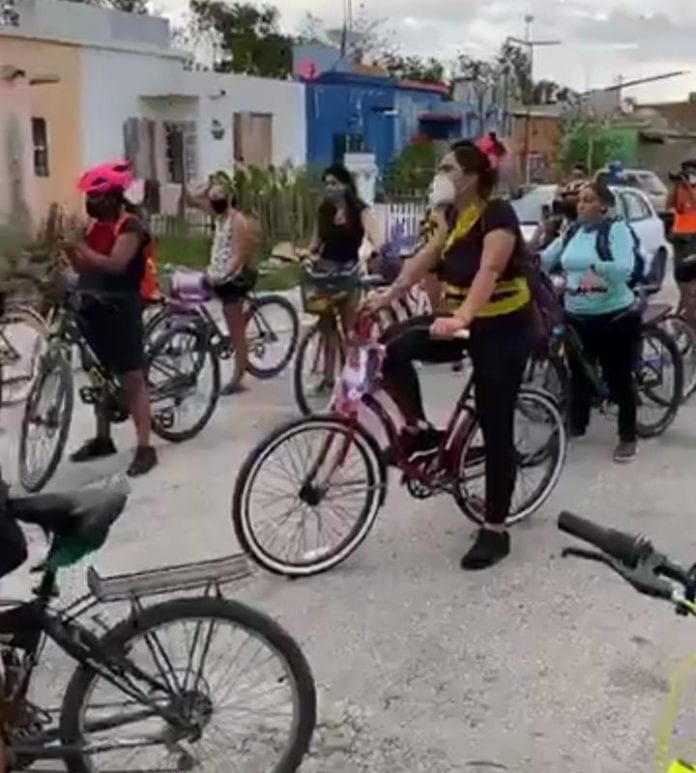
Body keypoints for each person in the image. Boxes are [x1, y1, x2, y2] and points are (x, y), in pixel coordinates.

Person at [366, 140, 534, 571]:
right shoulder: (449, 216)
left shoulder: (497, 213)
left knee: (496, 424)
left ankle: (495, 529)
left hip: (503, 325)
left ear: (473, 176)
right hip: (461, 319)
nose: (439, 175)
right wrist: (391, 294)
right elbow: (427, 258)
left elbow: (490, 269)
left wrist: (461, 315)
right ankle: (420, 429)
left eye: (447, 168)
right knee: (389, 350)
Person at [62, 160, 157, 477]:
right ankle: (103, 439)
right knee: (98, 373)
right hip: (93, 304)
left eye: (96, 197)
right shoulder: (93, 227)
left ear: (114, 197)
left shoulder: (132, 227)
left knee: (131, 377)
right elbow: (84, 268)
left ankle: (145, 447)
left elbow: (116, 265)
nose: (90, 203)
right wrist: (69, 249)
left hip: (122, 306)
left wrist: (80, 248)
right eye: (89, 197)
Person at [541, 181, 640, 463]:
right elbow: (547, 259)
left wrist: (593, 266)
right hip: (576, 314)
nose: (580, 205)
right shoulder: (573, 231)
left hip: (614, 316)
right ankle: (576, 425)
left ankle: (628, 436)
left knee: (619, 378)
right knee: (579, 374)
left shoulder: (616, 230)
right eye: (579, 200)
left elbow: (624, 268)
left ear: (604, 207)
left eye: (588, 200)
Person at [307, 164, 383, 390]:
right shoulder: (324, 210)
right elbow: (315, 242)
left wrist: (374, 251)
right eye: (327, 184)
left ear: (346, 184)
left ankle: (355, 375)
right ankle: (329, 376)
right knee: (325, 325)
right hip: (325, 271)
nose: (330, 188)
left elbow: (375, 238)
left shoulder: (360, 210)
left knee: (349, 327)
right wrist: (306, 254)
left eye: (335, 183)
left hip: (348, 271)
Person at [189, 172, 259, 395]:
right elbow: (192, 198)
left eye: (220, 195)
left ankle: (239, 375)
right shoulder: (219, 217)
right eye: (213, 196)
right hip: (218, 275)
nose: (214, 199)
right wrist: (207, 186)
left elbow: (238, 255)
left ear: (229, 197)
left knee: (236, 331)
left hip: (232, 279)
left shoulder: (237, 221)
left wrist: (223, 274)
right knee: (229, 321)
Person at [667, 160, 696, 328]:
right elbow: (669, 205)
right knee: (682, 283)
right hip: (680, 240)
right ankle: (684, 313)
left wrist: (690, 188)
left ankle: (689, 323)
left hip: (694, 239)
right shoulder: (680, 189)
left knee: (691, 286)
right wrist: (678, 186)